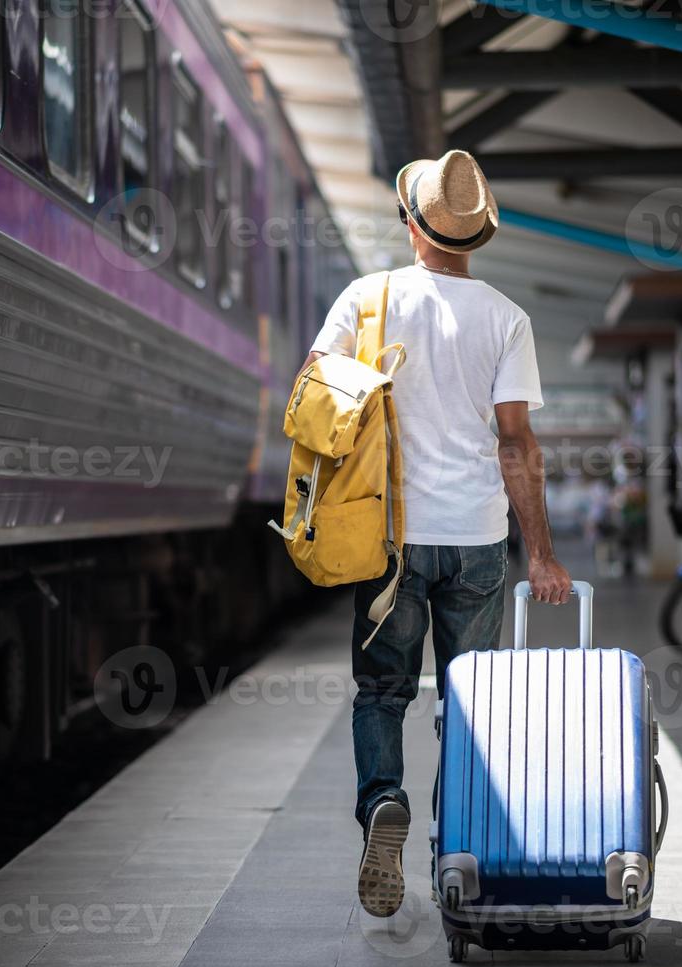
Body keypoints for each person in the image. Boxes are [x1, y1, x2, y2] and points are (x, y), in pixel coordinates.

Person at [296, 149, 572, 918]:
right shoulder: (506, 318)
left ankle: (384, 802)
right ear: (475, 235)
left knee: (381, 692)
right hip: (478, 541)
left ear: (409, 222)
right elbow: (516, 445)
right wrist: (541, 555)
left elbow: (314, 392)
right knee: (470, 701)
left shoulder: (367, 295)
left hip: (387, 537)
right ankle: (460, 846)